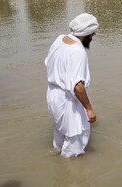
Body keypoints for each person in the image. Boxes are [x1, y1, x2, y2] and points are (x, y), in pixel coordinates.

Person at [45, 13, 99, 158]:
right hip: (68, 99)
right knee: (76, 137)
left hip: (53, 94)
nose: (93, 37)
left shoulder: (59, 39)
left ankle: (56, 159)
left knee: (60, 131)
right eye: (92, 34)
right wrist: (89, 109)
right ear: (87, 34)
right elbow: (77, 86)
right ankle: (70, 173)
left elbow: (48, 63)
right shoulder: (78, 51)